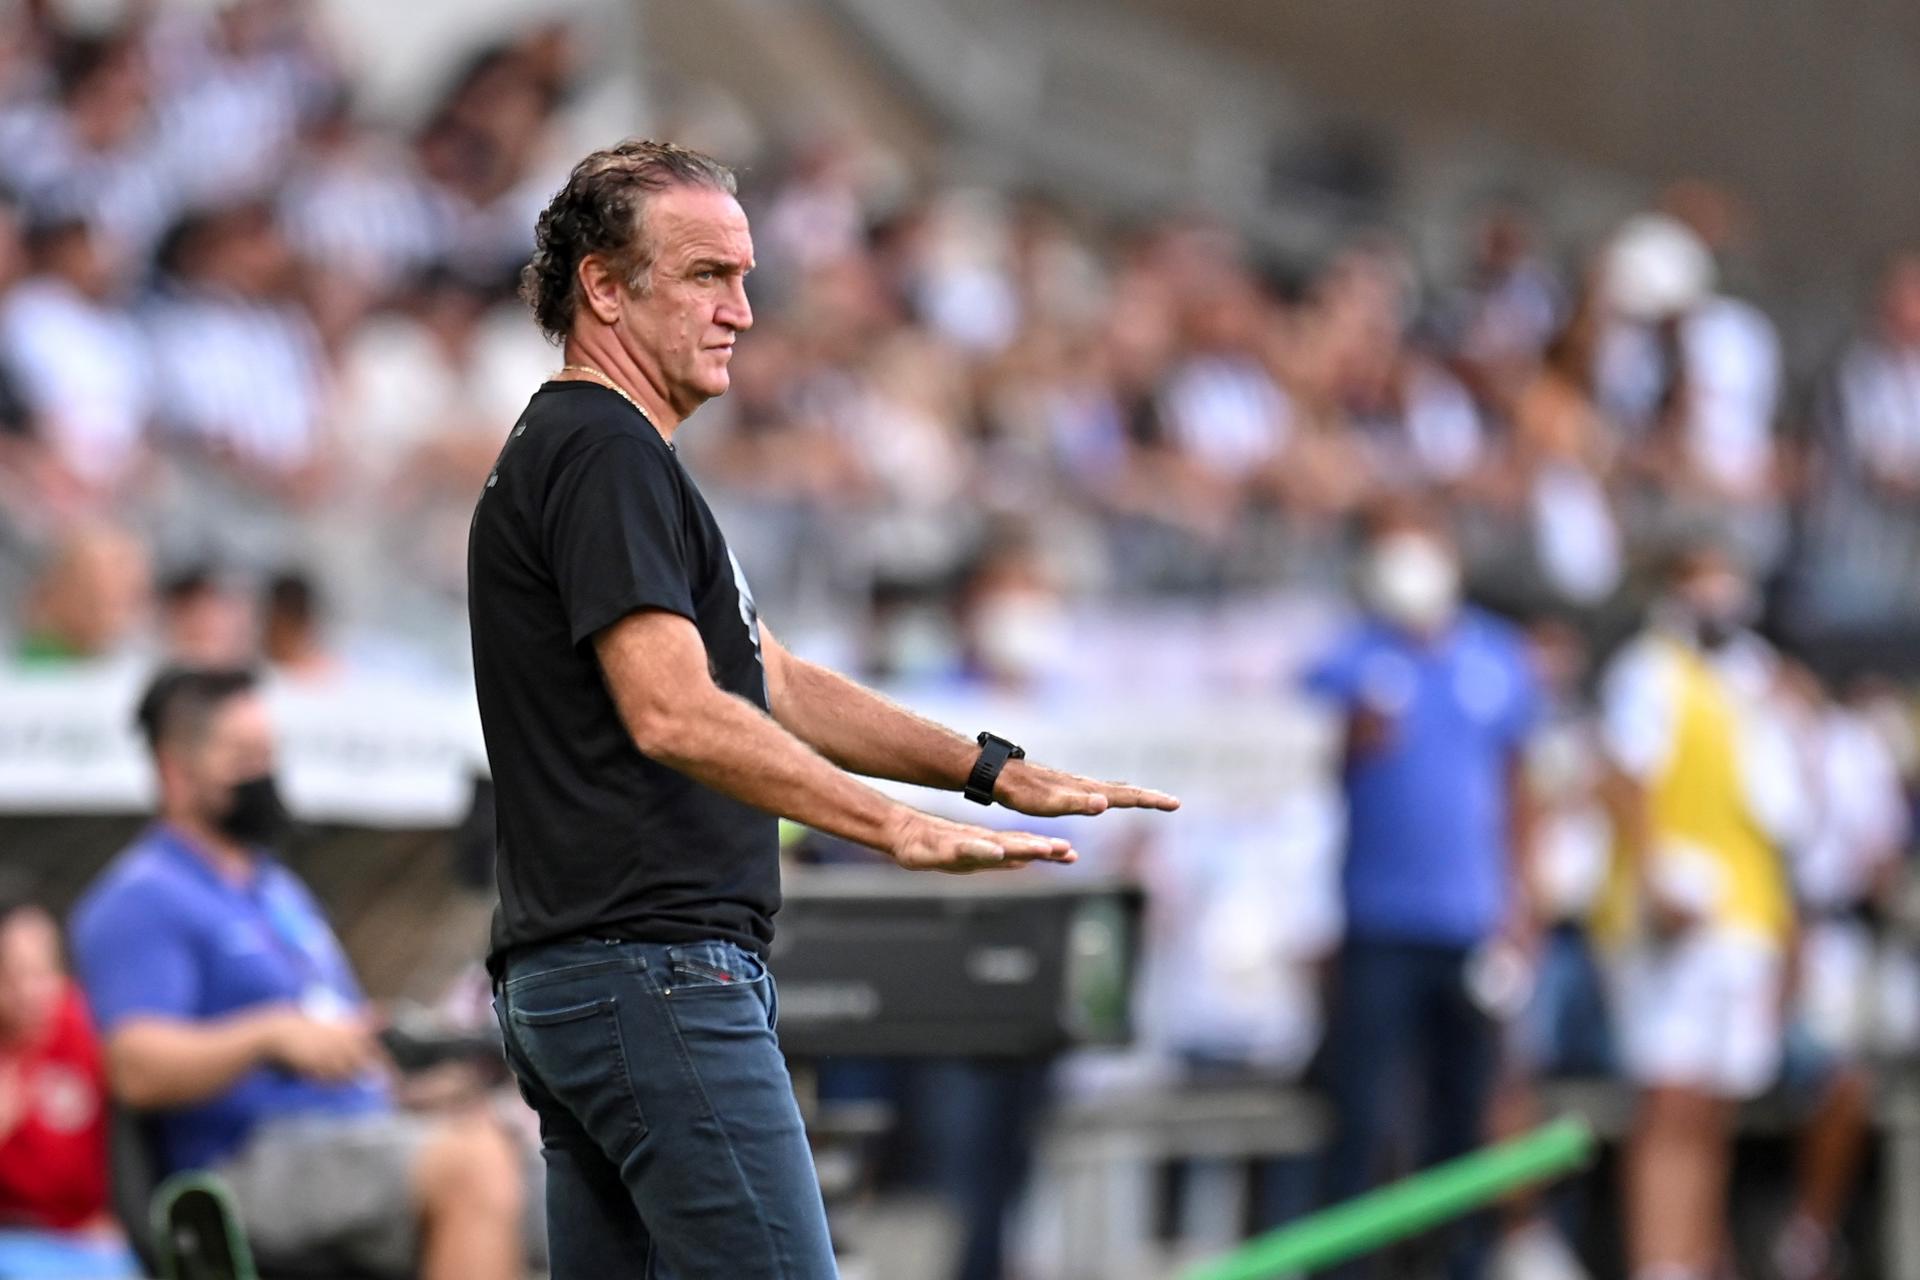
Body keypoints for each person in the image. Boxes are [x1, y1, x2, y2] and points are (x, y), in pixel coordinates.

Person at [469, 138, 1179, 1280]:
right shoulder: (603, 448)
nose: (742, 311)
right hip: (652, 972)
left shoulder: (595, 451)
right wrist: (890, 825)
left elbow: (772, 677)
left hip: (588, 978)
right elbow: (676, 712)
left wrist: (989, 767)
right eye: (707, 275)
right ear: (603, 285)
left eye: (745, 278)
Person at [69, 667, 540, 1280]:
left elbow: (332, 1034)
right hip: (242, 1164)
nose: (265, 772)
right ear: (174, 770)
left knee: (557, 1171)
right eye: (243, 756)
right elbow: (134, 1067)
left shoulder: (277, 890)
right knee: (472, 1168)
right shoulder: (140, 898)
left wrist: (415, 1085)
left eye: (269, 752)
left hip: (358, 1135)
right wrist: (266, 1034)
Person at [1302, 496, 1540, 1280]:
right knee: (1363, 1119)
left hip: (1469, 927)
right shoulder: (1344, 662)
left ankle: (1457, 1266)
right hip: (1377, 927)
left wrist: (1521, 906)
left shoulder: (1499, 659)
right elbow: (1296, 783)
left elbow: (1518, 792)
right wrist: (1345, 745)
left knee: (1463, 1121)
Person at [1594, 540, 1806, 1280]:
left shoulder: (1754, 680)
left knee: (1715, 1107)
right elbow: (1623, 778)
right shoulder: (1648, 671)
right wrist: (1656, 882)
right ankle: (1660, 1263)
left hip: (1744, 919)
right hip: (1674, 921)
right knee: (1670, 1103)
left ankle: (1695, 1259)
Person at [0, 898, 139, 1279]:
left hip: (91, 1243)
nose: (31, 992)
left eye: (42, 972)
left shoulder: (81, 1022)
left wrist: (111, 1217)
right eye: (10, 977)